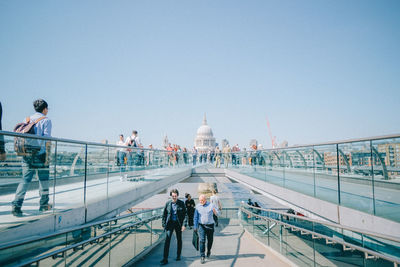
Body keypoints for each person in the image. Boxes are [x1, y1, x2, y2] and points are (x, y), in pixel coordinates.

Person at [12, 99, 52, 217]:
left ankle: (16, 206)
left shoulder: (27, 119)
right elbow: (47, 139)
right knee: (43, 180)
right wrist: (47, 156)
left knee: (25, 180)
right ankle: (44, 205)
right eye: (47, 109)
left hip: (26, 154)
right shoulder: (46, 120)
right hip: (40, 154)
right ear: (45, 109)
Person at [160, 189, 188, 265]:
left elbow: (185, 215)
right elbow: (164, 215)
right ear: (171, 196)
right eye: (173, 196)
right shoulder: (168, 203)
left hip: (178, 224)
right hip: (170, 224)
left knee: (179, 239)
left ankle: (178, 255)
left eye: (175, 196)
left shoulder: (181, 203)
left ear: (177, 196)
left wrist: (184, 225)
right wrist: (163, 224)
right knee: (167, 241)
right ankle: (165, 259)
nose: (174, 197)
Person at [194, 194, 220, 264]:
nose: (201, 202)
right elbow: (196, 217)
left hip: (210, 226)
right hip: (201, 226)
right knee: (202, 240)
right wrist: (195, 227)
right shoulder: (197, 206)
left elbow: (218, 214)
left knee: (210, 240)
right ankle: (202, 256)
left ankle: (208, 250)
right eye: (200, 200)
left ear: (205, 199)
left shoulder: (211, 205)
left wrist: (215, 212)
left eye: (202, 200)